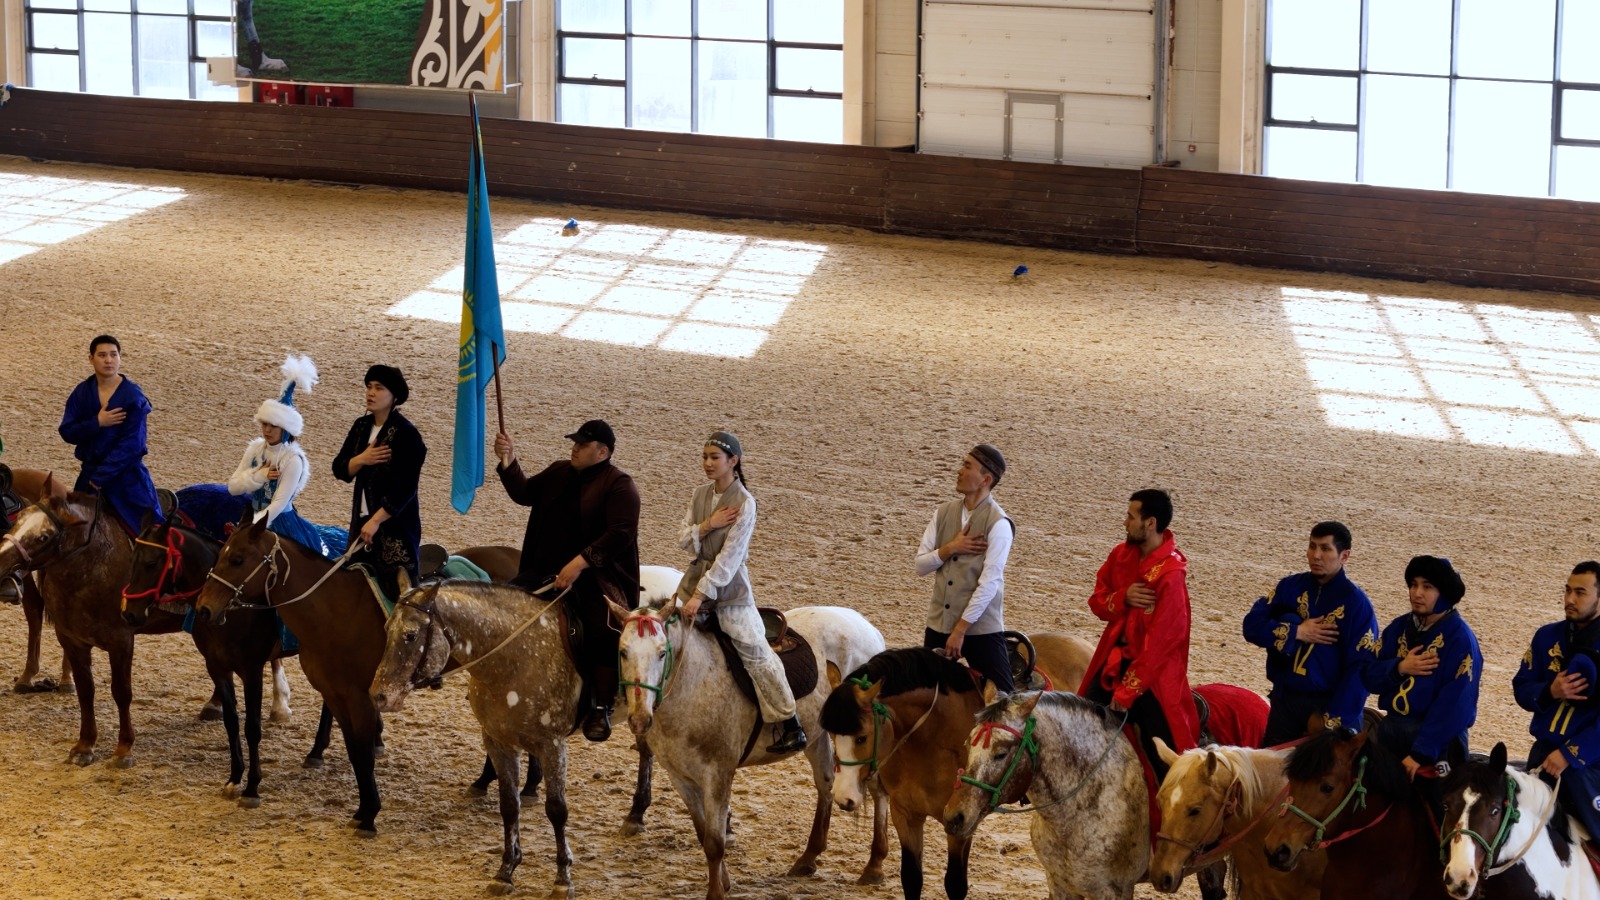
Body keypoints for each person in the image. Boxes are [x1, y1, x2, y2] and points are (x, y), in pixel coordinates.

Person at [495, 419, 640, 742]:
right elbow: (524, 493)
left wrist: (579, 563)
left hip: (596, 578)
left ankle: (601, 705)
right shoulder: (559, 471)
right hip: (542, 570)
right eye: (574, 443)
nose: (574, 449)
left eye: (582, 445)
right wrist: (508, 460)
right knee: (501, 609)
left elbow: (620, 533)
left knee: (605, 629)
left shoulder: (620, 486)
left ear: (602, 452)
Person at [676, 431, 806, 754]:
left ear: (733, 461)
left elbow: (729, 559)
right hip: (692, 584)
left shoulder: (746, 503)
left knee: (755, 651)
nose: (708, 463)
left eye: (715, 457)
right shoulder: (699, 494)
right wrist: (708, 524)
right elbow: (683, 540)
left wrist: (700, 596)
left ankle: (790, 722)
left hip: (730, 593)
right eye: (705, 457)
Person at [1079, 488, 1199, 779]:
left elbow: (1162, 643)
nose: (1125, 522)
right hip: (1113, 659)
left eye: (1131, 517)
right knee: (1080, 726)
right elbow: (1097, 602)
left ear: (1150, 523)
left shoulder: (1171, 575)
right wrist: (1124, 597)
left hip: (1153, 675)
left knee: (1162, 752)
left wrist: (1129, 690)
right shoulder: (1120, 555)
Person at [1242, 521, 1380, 745]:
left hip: (1327, 707)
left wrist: (1331, 723)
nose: (1315, 555)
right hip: (1284, 702)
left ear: (1344, 556)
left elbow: (1361, 669)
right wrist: (1295, 632)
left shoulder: (1357, 605)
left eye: (1325, 549)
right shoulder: (1289, 587)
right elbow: (1251, 626)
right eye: (1312, 546)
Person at [1361, 555, 1481, 805]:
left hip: (1439, 743)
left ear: (1444, 594)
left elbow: (1454, 707)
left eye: (1427, 587)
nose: (1417, 593)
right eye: (1413, 585)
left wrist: (1420, 753)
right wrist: (1399, 667)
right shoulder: (1398, 628)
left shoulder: (1461, 640)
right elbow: (1368, 674)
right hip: (1392, 730)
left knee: (1440, 811)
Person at [913, 444, 1014, 691]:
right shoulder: (942, 513)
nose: (959, 471)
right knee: (921, 695)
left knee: (1005, 699)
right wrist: (950, 548)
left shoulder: (999, 524)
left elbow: (990, 583)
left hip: (980, 631)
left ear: (985, 480)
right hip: (938, 625)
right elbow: (920, 566)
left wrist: (960, 630)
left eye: (967, 466)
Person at [226, 355, 347, 559]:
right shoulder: (254, 449)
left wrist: (254, 527)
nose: (267, 430)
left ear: (286, 429)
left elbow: (279, 503)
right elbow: (233, 487)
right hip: (253, 517)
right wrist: (258, 476)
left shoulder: (293, 460)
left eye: (274, 426)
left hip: (280, 524)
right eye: (265, 424)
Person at [1513, 561, 1600, 839]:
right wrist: (1550, 691)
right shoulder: (1546, 636)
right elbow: (1521, 687)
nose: (1570, 599)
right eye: (1567, 590)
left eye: (1580, 593)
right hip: (1543, 754)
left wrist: (1569, 754)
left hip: (1589, 764)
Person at [332, 365, 425, 597]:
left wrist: (376, 521)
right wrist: (362, 459)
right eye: (369, 387)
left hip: (394, 529)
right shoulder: (361, 426)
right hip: (361, 524)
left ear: (394, 396)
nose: (371, 393)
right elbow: (340, 469)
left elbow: (405, 488)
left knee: (402, 595)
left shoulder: (407, 434)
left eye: (379, 388)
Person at [57, 335, 163, 530]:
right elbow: (67, 432)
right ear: (91, 359)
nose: (108, 360)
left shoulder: (132, 396)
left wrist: (100, 477)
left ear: (120, 358)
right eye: (102, 355)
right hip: (89, 478)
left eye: (113, 355)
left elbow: (133, 445)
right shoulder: (82, 392)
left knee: (150, 534)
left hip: (127, 479)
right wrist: (97, 422)